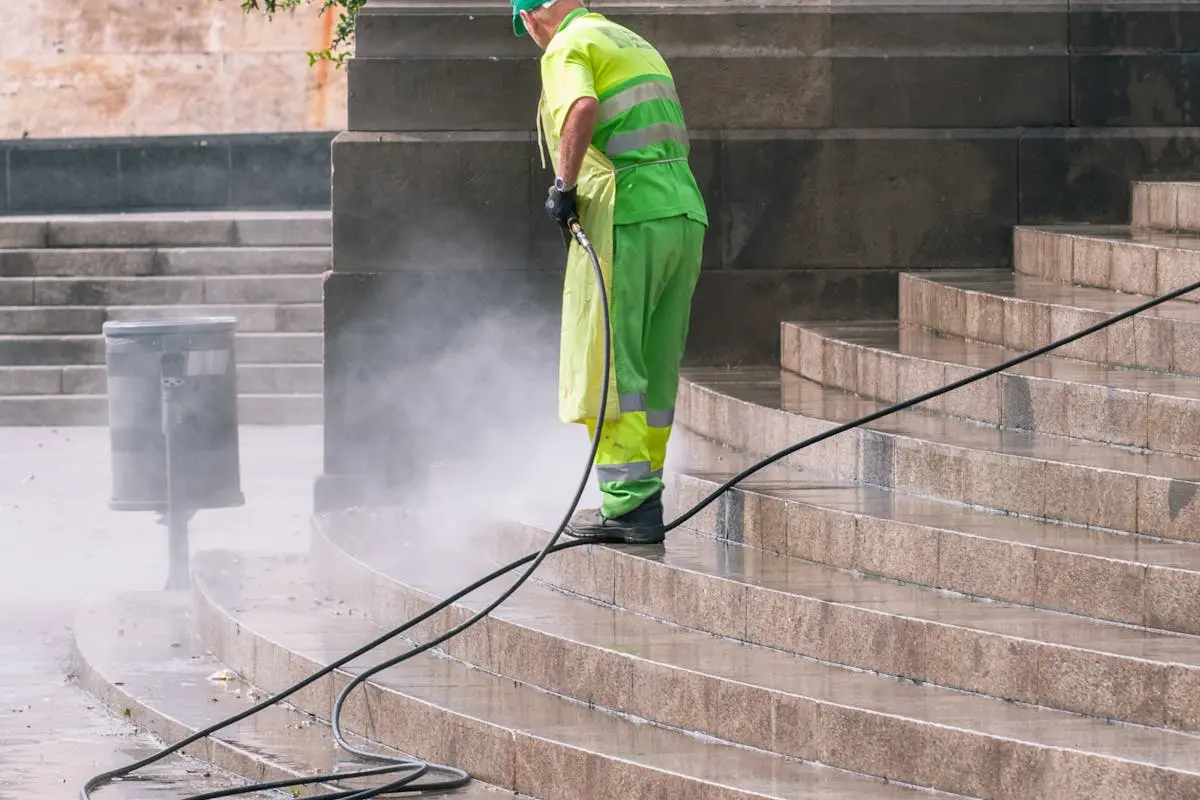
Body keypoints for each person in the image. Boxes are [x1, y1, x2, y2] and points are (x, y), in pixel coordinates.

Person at [512, 0, 708, 544]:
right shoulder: (631, 41)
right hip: (682, 212)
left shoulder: (567, 46)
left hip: (627, 216)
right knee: (655, 363)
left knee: (612, 363)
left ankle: (627, 505)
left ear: (530, 18)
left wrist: (563, 188)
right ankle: (643, 496)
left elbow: (579, 108)